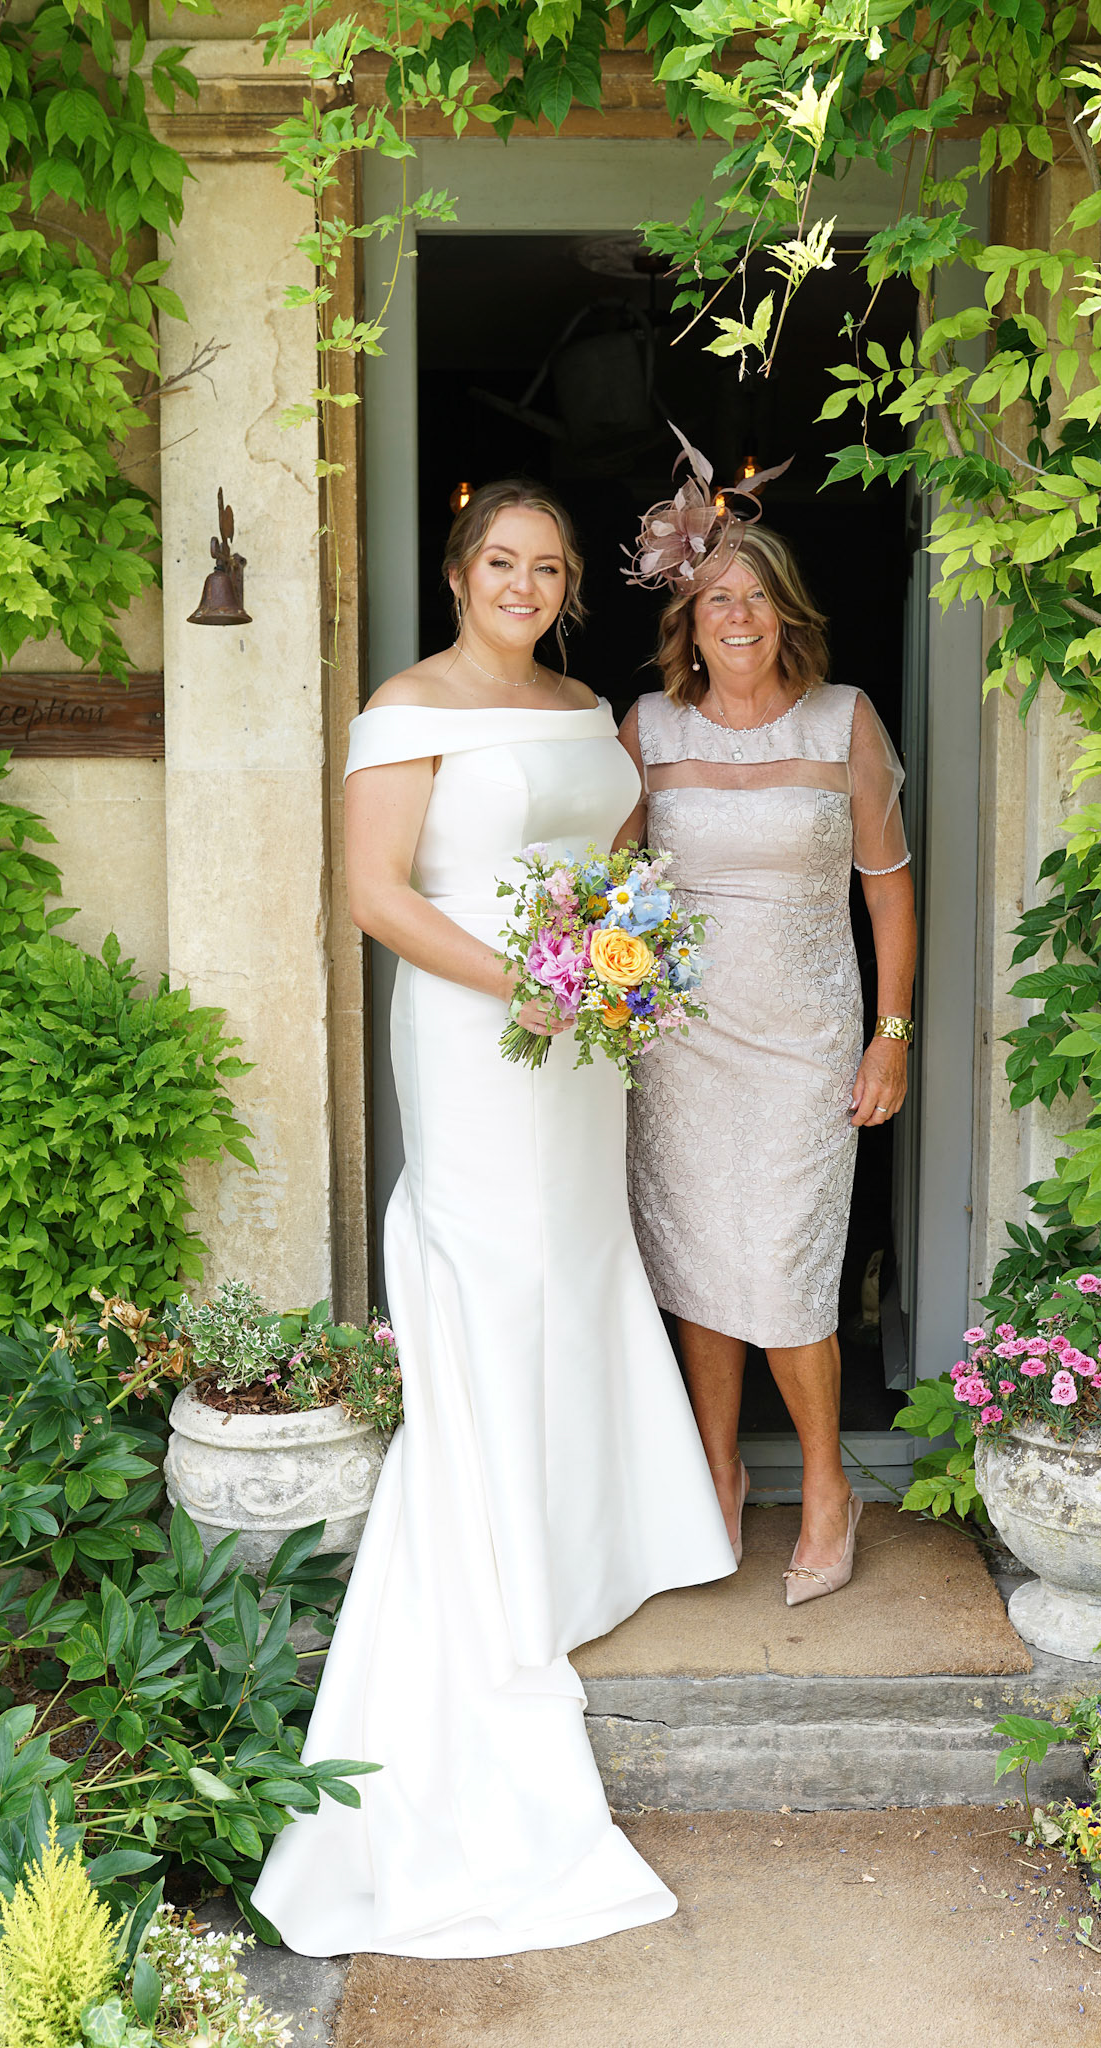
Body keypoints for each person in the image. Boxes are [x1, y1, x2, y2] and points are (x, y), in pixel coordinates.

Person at [251, 480, 736, 1958]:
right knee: (497, 1267)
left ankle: (575, 1543)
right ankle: (503, 1561)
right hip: (481, 1033)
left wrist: (614, 941)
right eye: (503, 563)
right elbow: (375, 894)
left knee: (576, 1262)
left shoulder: (585, 708)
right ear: (460, 573)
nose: (526, 584)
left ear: (568, 586)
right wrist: (524, 977)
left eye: (549, 567)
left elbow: (617, 838)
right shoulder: (406, 710)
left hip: (580, 1031)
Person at [616, 431, 917, 1608]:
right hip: (680, 1043)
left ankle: (829, 1488)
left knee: (788, 1267)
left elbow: (887, 890)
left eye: (754, 596)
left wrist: (891, 1034)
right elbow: (608, 891)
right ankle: (717, 1472)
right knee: (699, 1259)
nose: (736, 615)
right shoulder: (649, 728)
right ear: (687, 620)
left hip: (805, 1041)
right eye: (714, 599)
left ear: (786, 612)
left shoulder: (844, 719)